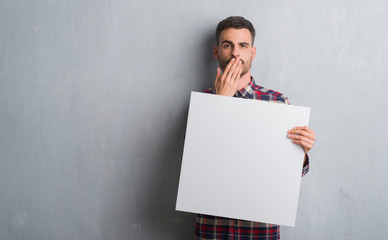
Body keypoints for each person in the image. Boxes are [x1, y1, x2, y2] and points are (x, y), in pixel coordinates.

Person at [195, 16, 316, 240]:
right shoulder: (202, 103)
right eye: (227, 45)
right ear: (216, 52)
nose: (235, 53)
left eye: (243, 45)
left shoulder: (278, 103)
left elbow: (292, 176)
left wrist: (300, 154)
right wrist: (220, 103)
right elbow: (196, 167)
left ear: (253, 52)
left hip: (260, 230)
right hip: (212, 230)